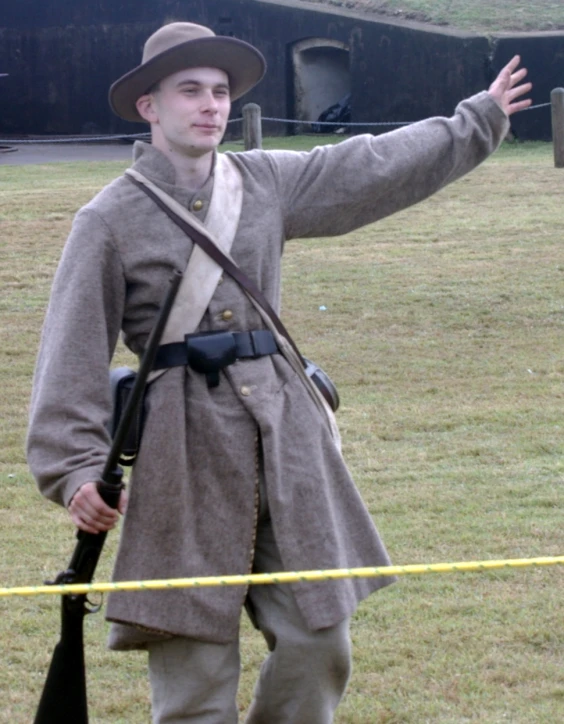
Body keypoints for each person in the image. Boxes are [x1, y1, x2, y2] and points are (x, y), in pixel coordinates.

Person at [27, 20, 532, 724]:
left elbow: (371, 167)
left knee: (319, 641)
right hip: (184, 451)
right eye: (190, 91)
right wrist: (75, 469)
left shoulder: (262, 181)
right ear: (150, 105)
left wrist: (474, 122)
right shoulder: (107, 219)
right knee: (194, 667)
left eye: (220, 91)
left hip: (287, 437)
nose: (210, 105)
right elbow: (70, 355)